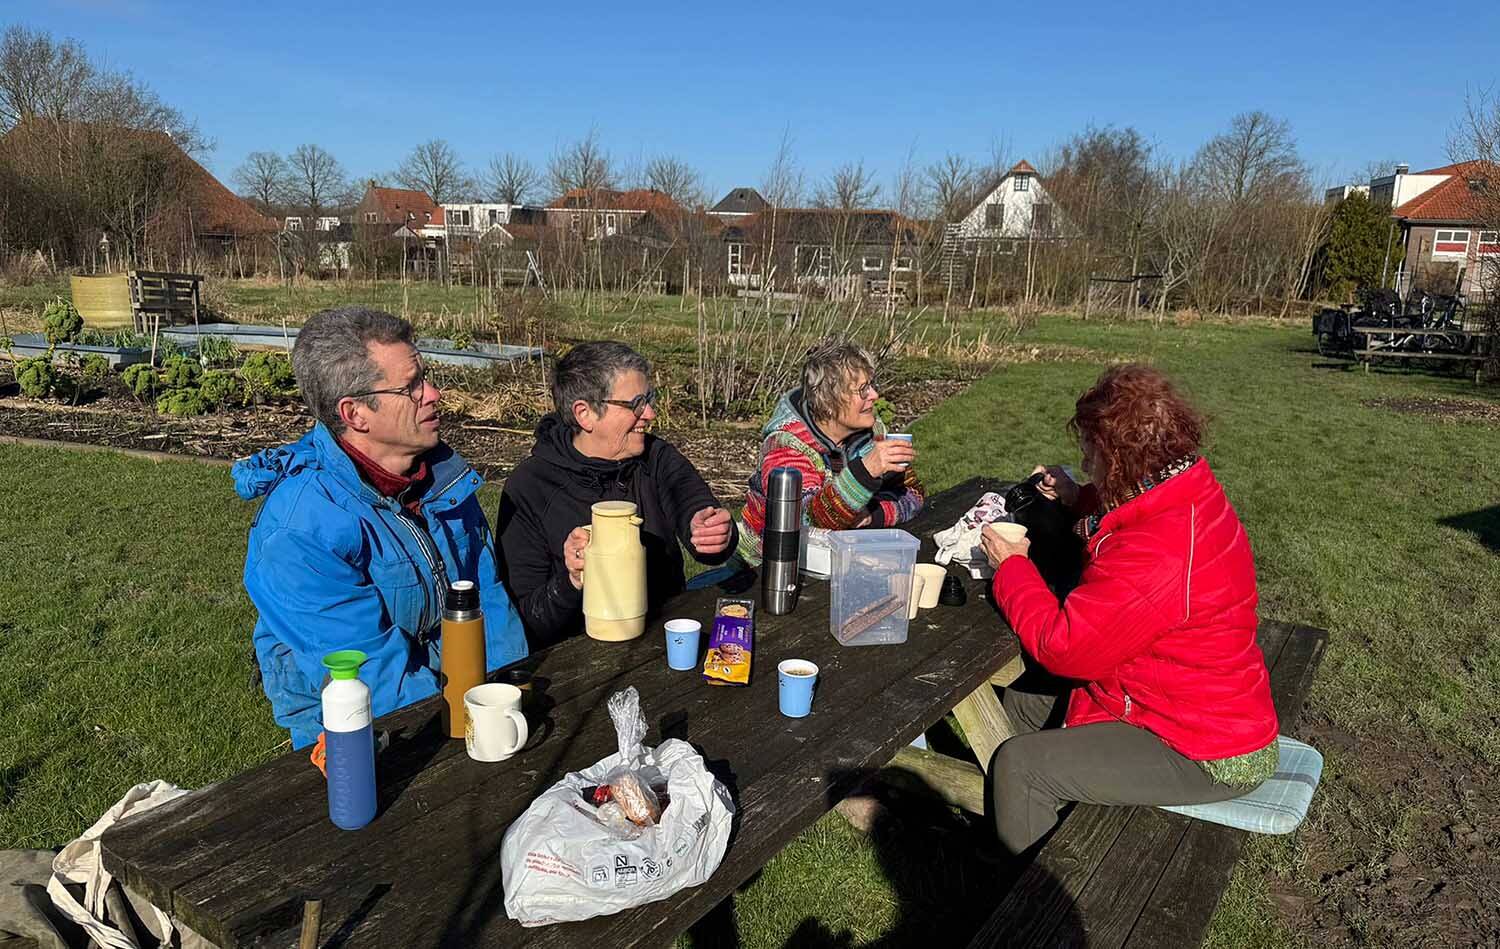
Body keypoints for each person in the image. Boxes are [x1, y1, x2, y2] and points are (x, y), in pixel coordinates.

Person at [979, 363, 1278, 856]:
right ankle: (1023, 825)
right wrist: (1080, 498)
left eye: (1091, 453)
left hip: (1206, 747)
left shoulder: (1160, 548)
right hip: (1181, 699)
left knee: (1020, 766)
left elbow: (1065, 648)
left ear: (1118, 458)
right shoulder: (1182, 490)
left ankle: (1031, 905)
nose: (1084, 458)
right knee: (1026, 699)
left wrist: (1012, 567)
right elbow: (1128, 509)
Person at [234, 307, 528, 749]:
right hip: (372, 739)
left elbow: (485, 594)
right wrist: (464, 728)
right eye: (410, 388)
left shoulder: (439, 478)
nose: (434, 393)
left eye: (424, 378)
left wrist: (510, 691)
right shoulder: (299, 531)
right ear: (355, 414)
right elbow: (374, 677)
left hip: (470, 703)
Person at [497, 341, 737, 645]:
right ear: (585, 414)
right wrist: (571, 580)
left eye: (649, 399)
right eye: (635, 403)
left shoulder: (656, 458)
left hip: (664, 641)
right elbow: (527, 620)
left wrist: (712, 531)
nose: (649, 413)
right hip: (576, 662)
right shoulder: (530, 487)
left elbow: (694, 505)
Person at [737, 341, 924, 564]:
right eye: (862, 389)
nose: (874, 394)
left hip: (844, 559)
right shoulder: (785, 446)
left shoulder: (873, 433)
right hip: (767, 567)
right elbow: (805, 524)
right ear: (827, 402)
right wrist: (864, 472)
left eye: (871, 385)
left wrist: (874, 515)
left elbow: (913, 494)